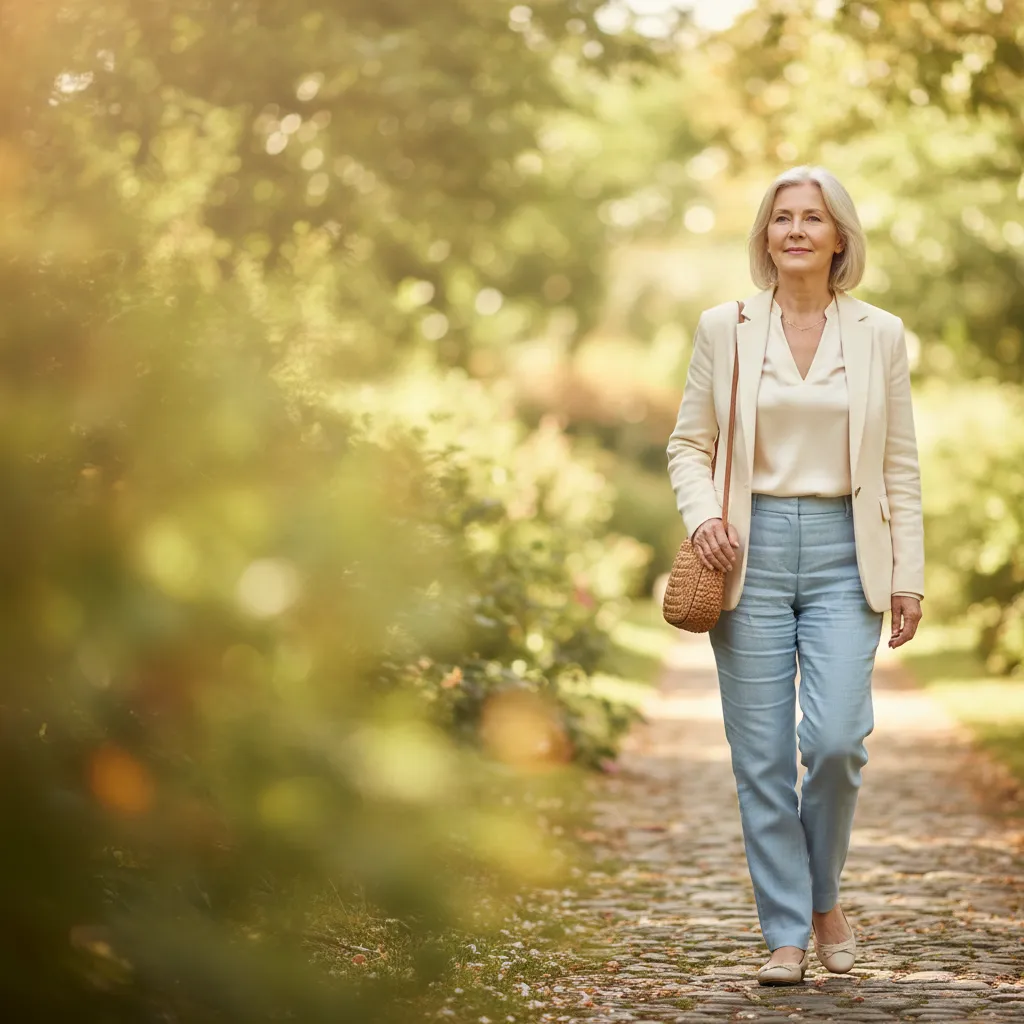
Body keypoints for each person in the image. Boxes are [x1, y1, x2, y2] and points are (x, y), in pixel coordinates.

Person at [665, 166, 924, 985]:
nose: (798, 230)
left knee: (840, 742)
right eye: (783, 219)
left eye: (815, 218)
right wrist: (705, 514)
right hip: (748, 548)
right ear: (766, 236)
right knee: (763, 758)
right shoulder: (725, 327)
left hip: (851, 552)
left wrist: (908, 575)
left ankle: (822, 899)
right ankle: (787, 932)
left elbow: (900, 467)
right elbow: (687, 444)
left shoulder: (880, 333)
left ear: (840, 237)